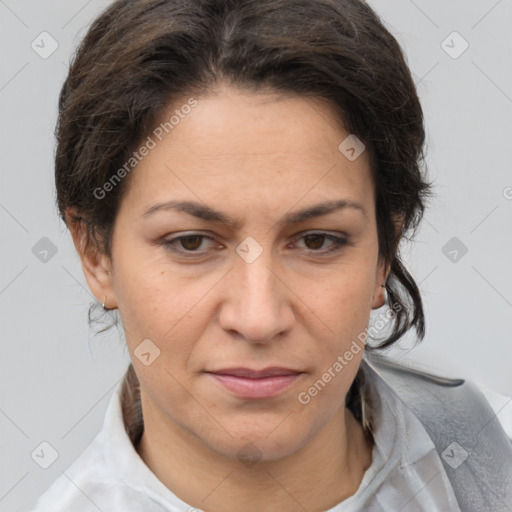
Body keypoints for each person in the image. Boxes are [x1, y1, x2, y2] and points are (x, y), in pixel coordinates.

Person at [30, 0, 512, 511]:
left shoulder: (489, 452)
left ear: (383, 254)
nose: (259, 319)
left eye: (316, 240)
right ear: (94, 254)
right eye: (191, 242)